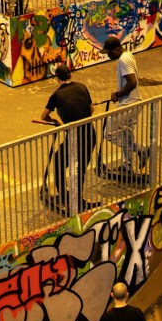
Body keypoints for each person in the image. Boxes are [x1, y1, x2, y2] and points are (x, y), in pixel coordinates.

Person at [40, 65, 97, 212]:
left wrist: (56, 122)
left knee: (60, 162)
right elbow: (91, 109)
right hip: (90, 134)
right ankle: (75, 197)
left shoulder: (56, 95)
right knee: (79, 168)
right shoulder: (82, 87)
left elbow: (43, 116)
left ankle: (69, 197)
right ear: (70, 76)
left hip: (75, 138)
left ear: (57, 78)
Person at [102, 35, 149, 173]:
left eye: (109, 52)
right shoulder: (128, 55)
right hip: (133, 101)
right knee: (125, 134)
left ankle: (140, 149)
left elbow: (132, 82)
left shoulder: (123, 60)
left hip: (129, 102)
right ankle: (127, 167)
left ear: (117, 49)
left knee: (110, 133)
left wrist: (118, 94)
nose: (108, 55)